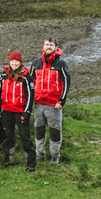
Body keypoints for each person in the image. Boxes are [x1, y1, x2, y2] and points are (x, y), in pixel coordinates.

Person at [32, 37, 70, 165]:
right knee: (39, 131)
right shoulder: (36, 62)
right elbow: (31, 82)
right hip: (38, 104)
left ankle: (55, 157)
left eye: (51, 45)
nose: (48, 47)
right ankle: (40, 155)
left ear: (55, 47)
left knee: (55, 132)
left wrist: (62, 100)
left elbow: (66, 83)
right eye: (46, 44)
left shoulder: (61, 63)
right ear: (43, 47)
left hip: (54, 105)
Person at [0, 51, 36, 171]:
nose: (14, 63)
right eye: (12, 61)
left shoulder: (26, 78)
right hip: (7, 111)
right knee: (8, 136)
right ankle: (8, 159)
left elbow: (30, 96)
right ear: (9, 62)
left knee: (25, 137)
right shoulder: (4, 75)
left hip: (20, 111)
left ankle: (31, 163)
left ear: (20, 62)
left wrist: (26, 113)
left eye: (16, 61)